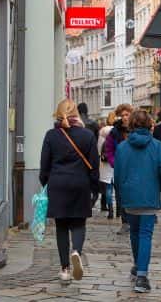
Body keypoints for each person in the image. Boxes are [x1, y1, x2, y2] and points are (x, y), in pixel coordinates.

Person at [39, 99, 102, 283]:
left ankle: (65, 269)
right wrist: (94, 188)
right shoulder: (87, 135)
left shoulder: (51, 135)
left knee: (61, 227)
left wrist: (45, 183)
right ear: (76, 114)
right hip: (79, 184)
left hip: (58, 184)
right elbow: (94, 166)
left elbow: (44, 166)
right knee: (78, 224)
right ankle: (76, 252)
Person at [114, 109, 161, 294]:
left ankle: (137, 266)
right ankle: (141, 275)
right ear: (150, 125)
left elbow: (117, 175)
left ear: (130, 125)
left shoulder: (122, 147)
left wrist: (121, 194)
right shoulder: (157, 146)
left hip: (130, 196)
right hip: (148, 195)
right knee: (145, 234)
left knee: (134, 232)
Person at [104, 103, 134, 233]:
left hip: (135, 168)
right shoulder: (114, 132)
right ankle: (125, 222)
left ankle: (133, 220)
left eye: (127, 115)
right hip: (120, 169)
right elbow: (109, 149)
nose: (125, 117)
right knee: (120, 195)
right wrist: (113, 162)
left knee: (133, 194)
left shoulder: (137, 129)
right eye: (122, 115)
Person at [97, 112, 116, 219]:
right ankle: (119, 212)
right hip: (116, 162)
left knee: (108, 188)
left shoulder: (102, 132)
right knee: (118, 189)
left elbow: (99, 149)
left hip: (105, 164)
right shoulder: (118, 132)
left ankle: (111, 210)